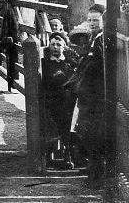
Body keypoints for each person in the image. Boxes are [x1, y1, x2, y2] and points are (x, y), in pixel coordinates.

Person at [70, 3, 108, 187]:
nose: (92, 23)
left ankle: (96, 176)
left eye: (96, 20)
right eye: (90, 19)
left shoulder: (102, 40)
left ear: (103, 20)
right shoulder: (92, 38)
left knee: (93, 135)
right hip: (87, 95)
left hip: (95, 96)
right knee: (86, 133)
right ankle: (92, 172)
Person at [42, 32, 77, 168]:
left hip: (68, 102)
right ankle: (49, 155)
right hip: (52, 102)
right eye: (52, 45)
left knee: (68, 129)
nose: (55, 47)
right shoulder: (45, 63)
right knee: (52, 127)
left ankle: (68, 156)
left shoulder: (69, 63)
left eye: (58, 44)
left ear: (64, 47)